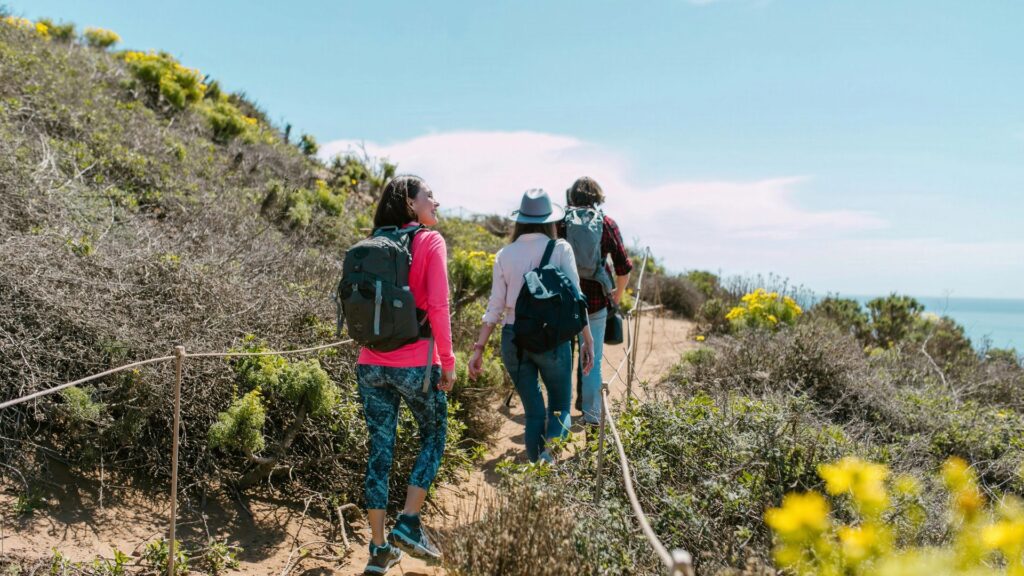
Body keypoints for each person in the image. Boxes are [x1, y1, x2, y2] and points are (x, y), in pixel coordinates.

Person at [356, 176, 455, 575]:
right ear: (411, 204)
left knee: (380, 449)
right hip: (416, 363)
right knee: (434, 434)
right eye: (429, 195)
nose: (436, 200)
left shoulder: (371, 244)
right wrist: (447, 361)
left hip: (370, 363)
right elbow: (438, 305)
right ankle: (410, 522)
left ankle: (379, 549)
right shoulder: (430, 241)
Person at [468, 189, 595, 463]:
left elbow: (495, 306)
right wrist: (587, 338)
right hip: (553, 338)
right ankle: (547, 466)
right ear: (550, 220)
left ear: (521, 219)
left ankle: (536, 466)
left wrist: (478, 349)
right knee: (560, 407)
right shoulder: (560, 248)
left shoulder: (505, 253)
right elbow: (576, 297)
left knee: (534, 413)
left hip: (513, 338)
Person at [562, 177, 632, 428]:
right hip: (595, 302)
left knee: (562, 357)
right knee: (592, 358)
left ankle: (561, 417)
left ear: (572, 196)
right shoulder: (607, 223)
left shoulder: (560, 222)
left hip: (563, 300)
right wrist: (616, 296)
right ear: (598, 197)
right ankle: (592, 417)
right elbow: (624, 267)